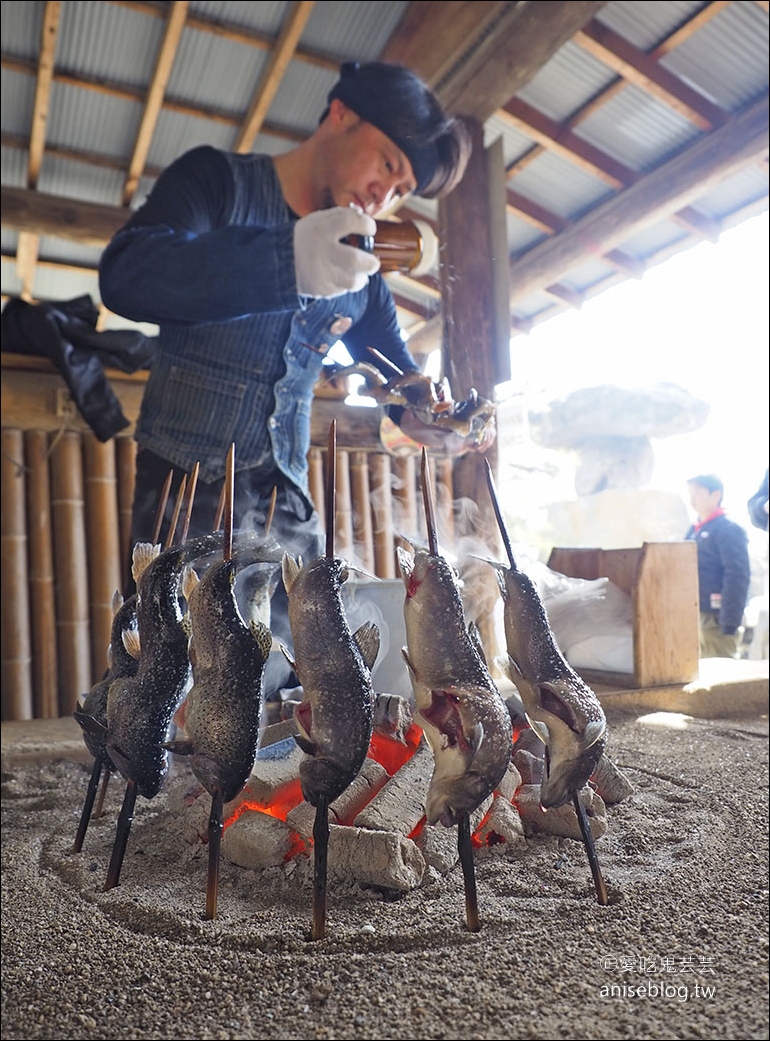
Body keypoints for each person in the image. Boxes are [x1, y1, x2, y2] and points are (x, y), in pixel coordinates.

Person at [98, 61, 483, 700]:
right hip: (185, 489)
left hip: (288, 506)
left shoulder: (363, 269)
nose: (385, 195)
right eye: (387, 163)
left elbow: (397, 377)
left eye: (403, 187)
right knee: (174, 687)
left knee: (289, 687)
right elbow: (126, 274)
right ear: (340, 115)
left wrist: (423, 415)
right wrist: (287, 260)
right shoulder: (216, 182)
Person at [685, 474, 751, 659]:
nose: (692, 501)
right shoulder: (694, 531)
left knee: (720, 676)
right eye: (690, 494)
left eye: (697, 494)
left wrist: (729, 621)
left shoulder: (728, 529)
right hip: (695, 613)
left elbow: (737, 575)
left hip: (717, 619)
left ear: (716, 495)